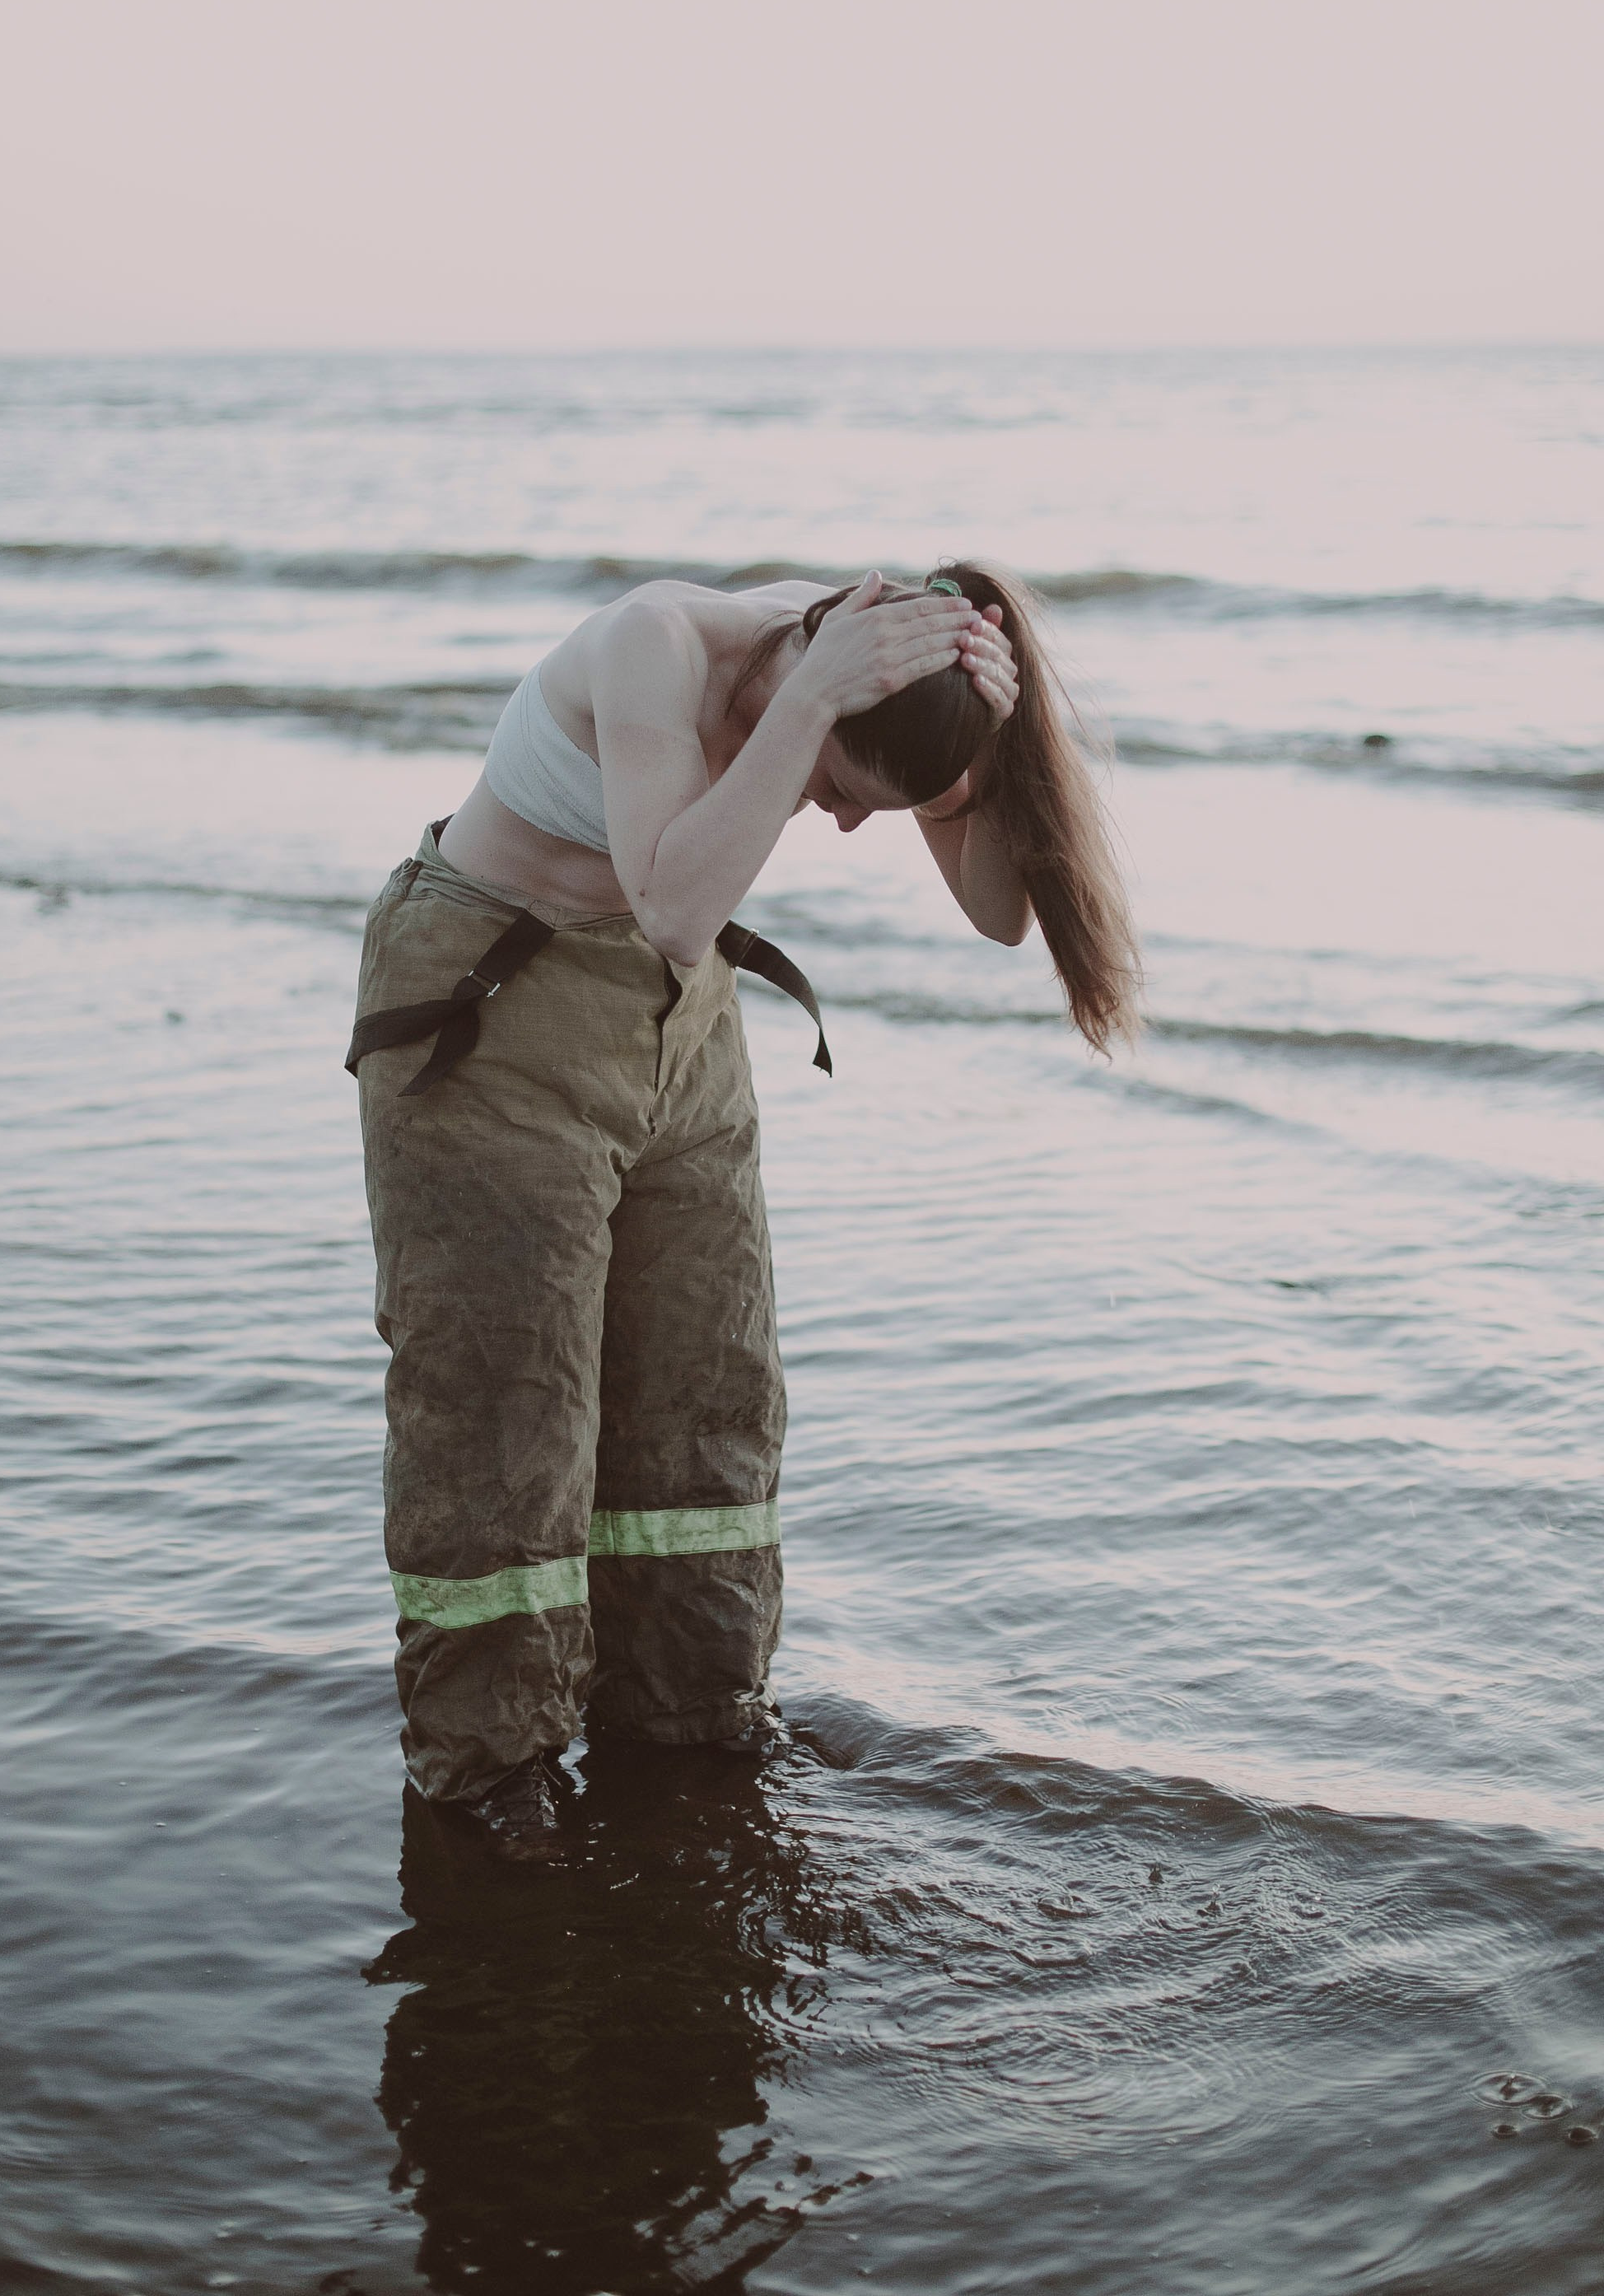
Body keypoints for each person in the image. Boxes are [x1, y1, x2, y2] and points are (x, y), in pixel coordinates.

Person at [347, 562, 1140, 1861]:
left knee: (703, 1399)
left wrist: (992, 740)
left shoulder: (887, 679)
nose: (832, 824)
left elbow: (999, 914)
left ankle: (688, 1719)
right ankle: (492, 1773)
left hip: (681, 1023)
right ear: (806, 684)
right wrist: (809, 709)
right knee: (509, 1408)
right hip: (490, 1003)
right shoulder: (658, 647)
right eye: (835, 792)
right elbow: (672, 902)